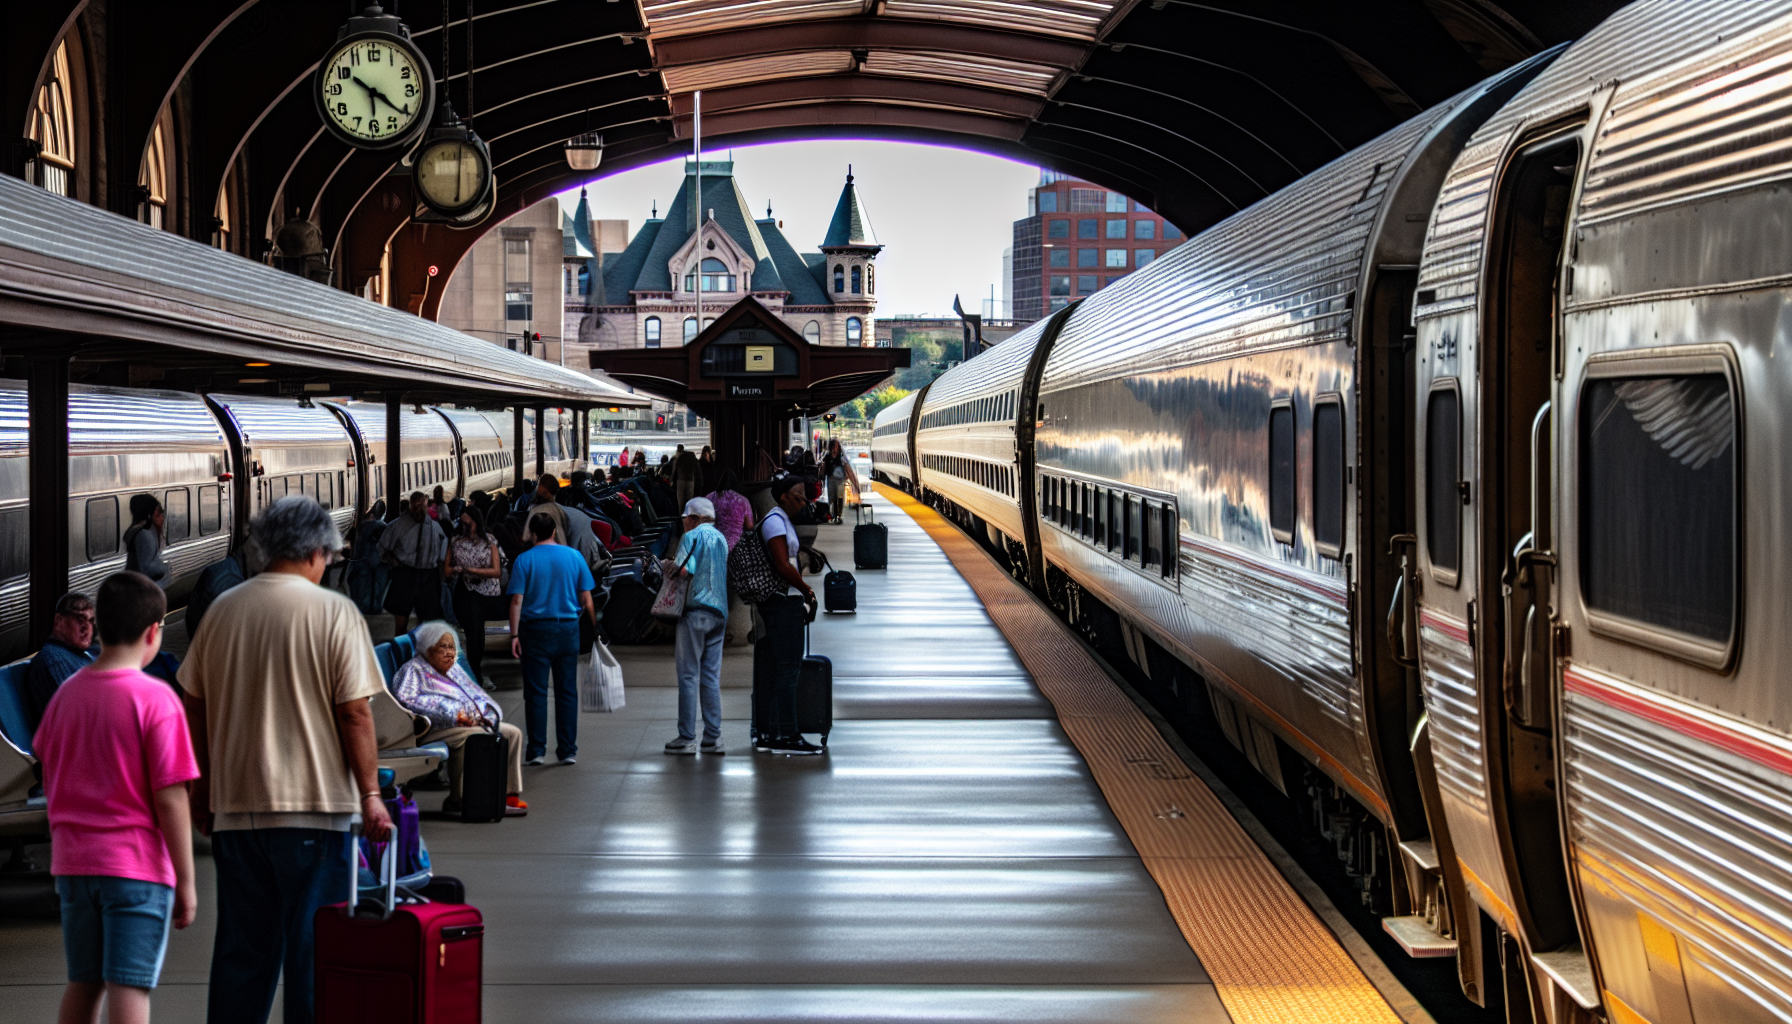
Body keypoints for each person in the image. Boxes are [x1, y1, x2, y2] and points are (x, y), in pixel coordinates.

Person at [178, 496, 393, 1024]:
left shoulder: (222, 610)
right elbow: (356, 715)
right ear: (318, 551)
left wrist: (203, 789)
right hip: (315, 812)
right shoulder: (334, 612)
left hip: (236, 813)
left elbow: (194, 707)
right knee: (312, 955)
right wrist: (370, 795)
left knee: (242, 957)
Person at [35, 572, 198, 1024]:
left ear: (100, 626)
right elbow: (171, 798)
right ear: (153, 632)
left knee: (84, 981)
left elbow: (50, 767)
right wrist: (185, 880)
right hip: (135, 867)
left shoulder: (66, 696)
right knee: (128, 984)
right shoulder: (156, 701)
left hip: (73, 866)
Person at [392, 622, 526, 816]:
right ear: (428, 649)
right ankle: (462, 799)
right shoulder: (413, 670)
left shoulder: (453, 669)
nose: (449, 653)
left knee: (512, 733)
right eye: (442, 647)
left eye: (452, 647)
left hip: (464, 724)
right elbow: (408, 699)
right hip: (431, 728)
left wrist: (485, 716)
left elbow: (477, 695)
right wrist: (456, 714)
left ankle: (508, 795)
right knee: (474, 737)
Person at [507, 512, 596, 766]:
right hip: (567, 630)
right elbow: (586, 599)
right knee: (567, 691)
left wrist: (514, 635)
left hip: (534, 632)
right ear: (554, 532)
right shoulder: (574, 557)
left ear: (533, 534)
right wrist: (594, 631)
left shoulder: (524, 560)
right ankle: (567, 750)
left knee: (536, 693)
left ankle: (536, 751)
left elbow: (516, 600)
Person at [753, 476, 821, 755]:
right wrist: (806, 591)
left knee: (779, 668)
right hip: (782, 604)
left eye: (804, 497)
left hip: (783, 602)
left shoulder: (780, 520)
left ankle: (771, 731)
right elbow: (782, 564)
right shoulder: (774, 521)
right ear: (782, 496)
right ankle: (786, 734)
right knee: (788, 669)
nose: (802, 501)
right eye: (798, 495)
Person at [664, 498, 730, 756]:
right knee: (711, 676)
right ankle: (713, 738)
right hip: (719, 612)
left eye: (685, 518)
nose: (683, 522)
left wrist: (667, 565)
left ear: (694, 518)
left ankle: (687, 737)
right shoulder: (721, 539)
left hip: (695, 610)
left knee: (689, 675)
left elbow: (683, 571)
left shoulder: (691, 538)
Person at [24, 592, 95, 735]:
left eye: (91, 621)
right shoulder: (54, 660)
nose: (86, 628)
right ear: (58, 621)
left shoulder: (79, 655)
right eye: (80, 619)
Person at [445, 506, 502, 683]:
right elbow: (446, 570)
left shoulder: (489, 541)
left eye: (468, 524)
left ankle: (474, 670)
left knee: (476, 631)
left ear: (477, 523)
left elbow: (496, 571)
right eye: (462, 523)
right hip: (464, 589)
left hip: (484, 592)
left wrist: (470, 569)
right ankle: (473, 670)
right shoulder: (455, 541)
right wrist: (456, 570)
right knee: (472, 631)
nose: (464, 527)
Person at [379, 491, 447, 634]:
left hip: (428, 575)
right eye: (416, 506)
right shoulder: (398, 526)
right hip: (406, 574)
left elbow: (442, 554)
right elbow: (382, 548)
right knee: (401, 620)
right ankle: (402, 650)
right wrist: (394, 563)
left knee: (429, 621)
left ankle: (421, 650)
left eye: (421, 506)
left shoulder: (435, 527)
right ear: (411, 506)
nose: (418, 510)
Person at [346, 499, 388, 615]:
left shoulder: (362, 526)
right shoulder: (382, 526)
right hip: (376, 563)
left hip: (361, 562)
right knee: (376, 588)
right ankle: (374, 608)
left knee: (361, 590)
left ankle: (363, 609)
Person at [123, 494, 170, 589]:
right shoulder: (144, 534)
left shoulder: (135, 530)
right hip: (141, 589)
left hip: (134, 585)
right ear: (149, 516)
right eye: (158, 514)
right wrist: (165, 567)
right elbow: (146, 567)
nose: (162, 518)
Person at [822, 440, 850, 523]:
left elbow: (846, 466)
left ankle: (839, 516)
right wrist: (822, 475)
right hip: (831, 479)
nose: (834, 448)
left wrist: (847, 475)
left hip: (840, 480)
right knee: (833, 497)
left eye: (836, 446)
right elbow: (824, 466)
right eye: (833, 446)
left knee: (840, 497)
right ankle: (834, 514)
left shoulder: (841, 456)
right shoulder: (827, 456)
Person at [673, 445, 700, 518]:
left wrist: (673, 481)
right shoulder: (693, 459)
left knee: (681, 505)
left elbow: (675, 472)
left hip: (680, 482)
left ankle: (681, 522)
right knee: (689, 503)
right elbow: (698, 473)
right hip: (690, 481)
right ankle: (688, 520)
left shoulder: (679, 458)